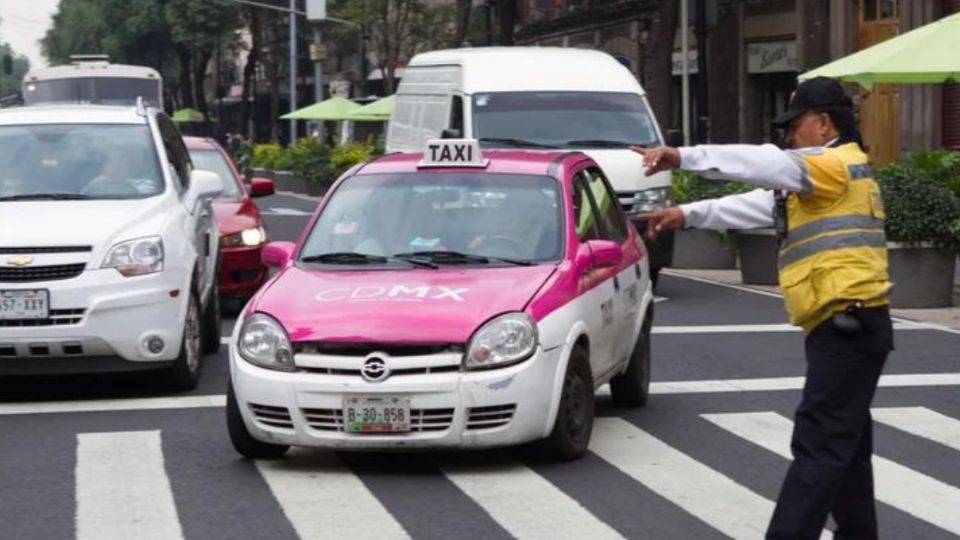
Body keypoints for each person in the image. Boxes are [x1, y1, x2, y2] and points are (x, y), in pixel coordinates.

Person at [634, 77, 893, 540]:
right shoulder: (832, 176)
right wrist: (686, 215)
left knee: (819, 440)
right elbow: (760, 205)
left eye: (794, 127)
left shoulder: (831, 164)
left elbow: (764, 165)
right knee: (846, 442)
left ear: (823, 124)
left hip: (848, 326)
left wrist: (683, 155)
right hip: (849, 325)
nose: (789, 137)